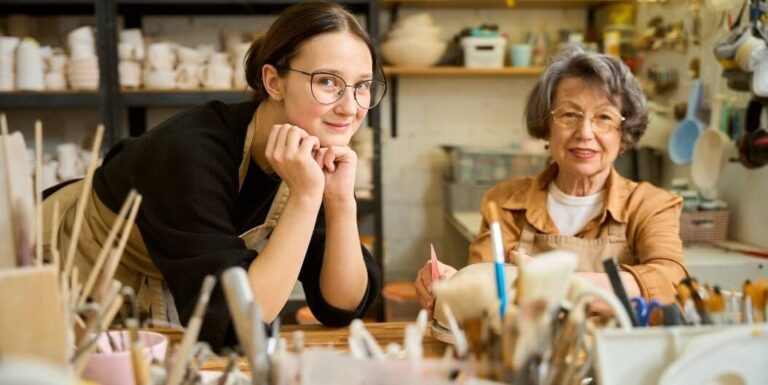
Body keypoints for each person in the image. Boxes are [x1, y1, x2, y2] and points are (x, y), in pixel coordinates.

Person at [42, 2, 384, 350]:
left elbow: (343, 305)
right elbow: (237, 322)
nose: (351, 107)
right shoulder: (191, 151)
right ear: (273, 81)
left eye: (362, 85)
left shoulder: (308, 153)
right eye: (327, 82)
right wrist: (307, 197)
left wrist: (339, 200)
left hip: (158, 287)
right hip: (70, 270)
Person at [416, 47, 689, 314]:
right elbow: (483, 290)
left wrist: (561, 285)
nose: (584, 132)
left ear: (624, 134)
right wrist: (452, 283)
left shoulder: (650, 205)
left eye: (604, 117)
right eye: (569, 114)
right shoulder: (505, 202)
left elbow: (670, 281)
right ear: (547, 127)